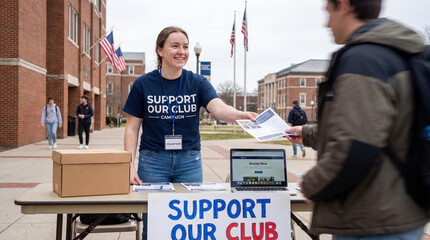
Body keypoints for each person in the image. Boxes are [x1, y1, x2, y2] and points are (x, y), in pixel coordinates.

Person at [285, 0, 429, 239]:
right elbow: (381, 127)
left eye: (328, 12)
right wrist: (309, 133)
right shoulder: (398, 51)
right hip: (405, 210)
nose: (327, 23)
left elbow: (356, 148)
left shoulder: (362, 60)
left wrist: (313, 184)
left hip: (371, 219)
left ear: (344, 5)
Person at [123, 26, 257, 240]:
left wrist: (240, 114)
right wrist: (128, 165)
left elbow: (219, 109)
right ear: (160, 50)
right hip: (152, 162)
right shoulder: (142, 84)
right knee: (156, 227)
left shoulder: (197, 82)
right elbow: (131, 128)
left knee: (190, 226)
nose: (181, 51)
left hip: (189, 161)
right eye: (174, 46)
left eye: (185, 47)